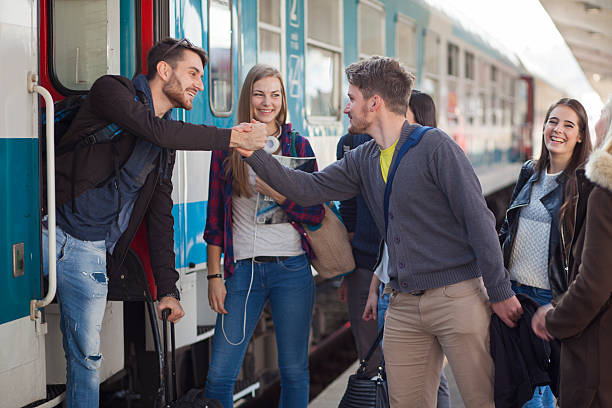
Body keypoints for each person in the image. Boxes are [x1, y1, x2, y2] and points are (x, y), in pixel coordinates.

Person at [237, 56, 522, 408]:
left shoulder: (436, 147)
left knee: (483, 400)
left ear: (375, 103)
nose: (346, 107)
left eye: (352, 98)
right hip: (402, 303)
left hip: (455, 297)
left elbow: (479, 220)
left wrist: (498, 290)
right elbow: (308, 188)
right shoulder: (363, 158)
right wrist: (253, 152)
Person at [41, 37, 266, 408]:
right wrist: (232, 137)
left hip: (90, 252)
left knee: (85, 359)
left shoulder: (165, 145)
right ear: (164, 70)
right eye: (192, 73)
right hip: (47, 233)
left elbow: (161, 218)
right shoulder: (110, 91)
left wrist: (168, 288)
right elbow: (154, 130)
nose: (199, 83)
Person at [203, 64, 325, 408]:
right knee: (219, 376)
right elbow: (214, 220)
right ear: (248, 98)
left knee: (294, 371)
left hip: (293, 271)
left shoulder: (298, 145)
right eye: (259, 94)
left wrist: (284, 195)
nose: (266, 102)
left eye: (275, 94)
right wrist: (215, 276)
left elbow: (316, 212)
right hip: (242, 271)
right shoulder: (229, 146)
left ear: (283, 99)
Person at [498, 98, 592, 407]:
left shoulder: (584, 184)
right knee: (512, 387)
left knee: (535, 392)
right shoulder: (530, 172)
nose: (558, 130)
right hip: (513, 295)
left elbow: (585, 254)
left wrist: (560, 304)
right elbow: (507, 230)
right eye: (553, 121)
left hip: (546, 300)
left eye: (568, 125)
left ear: (580, 135)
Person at [362, 89, 450, 407]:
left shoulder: (433, 165)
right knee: (399, 377)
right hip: (390, 292)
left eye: (405, 115)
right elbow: (389, 243)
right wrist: (375, 288)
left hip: (423, 295)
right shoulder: (389, 162)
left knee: (431, 377)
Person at [531, 95, 612, 407]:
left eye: (603, 113)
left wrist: (554, 319)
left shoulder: (602, 193)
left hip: (597, 363)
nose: (598, 120)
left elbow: (593, 286)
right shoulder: (531, 174)